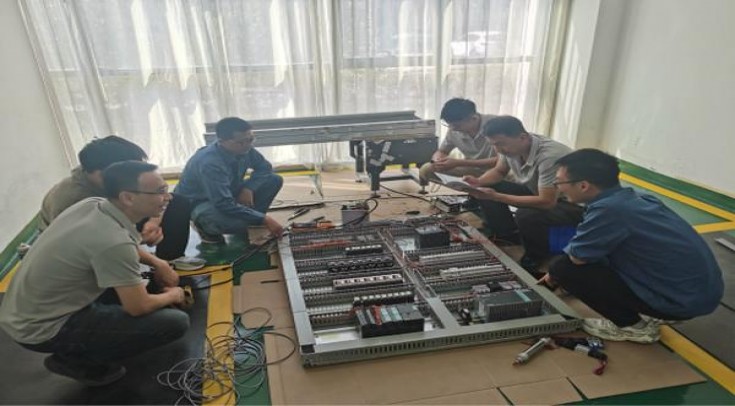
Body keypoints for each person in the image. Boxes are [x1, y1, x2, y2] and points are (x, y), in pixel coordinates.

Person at [0, 161, 190, 386]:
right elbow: (138, 306)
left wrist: (158, 263)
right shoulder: (113, 241)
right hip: (43, 329)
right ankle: (74, 361)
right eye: (159, 192)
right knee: (175, 322)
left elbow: (119, 246)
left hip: (20, 312)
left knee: (138, 285)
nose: (167, 197)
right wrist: (174, 294)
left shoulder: (92, 205)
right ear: (128, 197)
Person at [540, 149, 723, 343]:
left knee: (565, 268)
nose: (558, 188)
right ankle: (656, 307)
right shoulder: (635, 197)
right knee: (586, 255)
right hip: (700, 294)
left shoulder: (609, 210)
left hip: (681, 301)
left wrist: (553, 276)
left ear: (583, 185)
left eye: (559, 182)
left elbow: (577, 257)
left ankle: (633, 327)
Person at [39, 135, 192, 261]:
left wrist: (153, 223)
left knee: (177, 202)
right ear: (101, 174)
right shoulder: (72, 201)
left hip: (114, 223)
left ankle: (171, 261)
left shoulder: (107, 173)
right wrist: (151, 260)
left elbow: (161, 196)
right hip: (79, 247)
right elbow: (92, 246)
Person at [465, 115, 584, 273]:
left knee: (527, 215)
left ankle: (537, 255)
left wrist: (496, 196)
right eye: (493, 145)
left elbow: (547, 202)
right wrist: (478, 182)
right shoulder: (510, 147)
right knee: (486, 187)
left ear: (522, 137)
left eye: (500, 144)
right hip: (540, 190)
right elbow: (499, 171)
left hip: (572, 204)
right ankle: (506, 234)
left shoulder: (550, 156)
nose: (498, 150)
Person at [175, 117, 284, 243]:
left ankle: (251, 217)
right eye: (241, 142)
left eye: (250, 139)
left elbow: (265, 168)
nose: (248, 145)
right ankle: (204, 226)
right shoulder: (210, 163)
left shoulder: (244, 148)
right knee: (236, 224)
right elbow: (223, 203)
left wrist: (248, 188)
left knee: (273, 180)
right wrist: (264, 219)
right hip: (202, 202)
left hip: (227, 192)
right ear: (222, 141)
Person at [419, 98, 498, 184]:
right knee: (427, 168)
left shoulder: (496, 125)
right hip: (471, 169)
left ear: (474, 118)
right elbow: (442, 151)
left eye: (457, 126)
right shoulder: (453, 129)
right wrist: (437, 161)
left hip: (496, 170)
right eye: (449, 125)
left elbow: (501, 161)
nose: (452, 129)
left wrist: (459, 163)